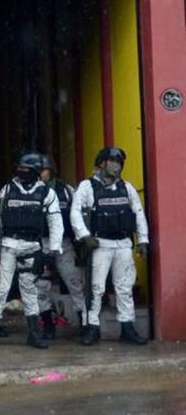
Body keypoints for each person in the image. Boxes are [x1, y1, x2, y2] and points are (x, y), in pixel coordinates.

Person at [0, 151, 62, 350]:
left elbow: (55, 222)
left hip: (31, 247)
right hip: (7, 245)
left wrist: (53, 250)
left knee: (29, 290)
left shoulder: (46, 193)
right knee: (0, 289)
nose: (21, 171)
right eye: (19, 168)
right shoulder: (8, 188)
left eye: (25, 168)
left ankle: (34, 333)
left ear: (35, 170)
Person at [70, 146, 149, 346]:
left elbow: (138, 214)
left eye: (119, 162)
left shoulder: (126, 187)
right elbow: (75, 212)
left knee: (125, 288)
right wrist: (85, 236)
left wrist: (143, 240)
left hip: (123, 244)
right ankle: (92, 328)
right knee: (95, 288)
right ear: (101, 163)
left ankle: (127, 327)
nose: (116, 166)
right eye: (112, 161)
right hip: (100, 244)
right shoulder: (87, 186)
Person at [35, 153, 86, 339]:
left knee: (76, 283)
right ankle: (48, 325)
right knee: (40, 286)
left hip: (64, 244)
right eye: (37, 170)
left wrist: (81, 241)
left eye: (43, 169)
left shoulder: (66, 190)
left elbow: (78, 215)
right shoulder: (30, 191)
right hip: (40, 243)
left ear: (51, 170)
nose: (40, 173)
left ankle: (85, 324)